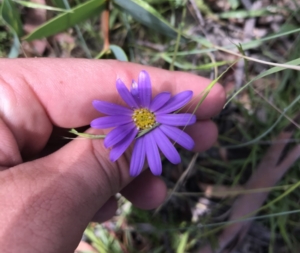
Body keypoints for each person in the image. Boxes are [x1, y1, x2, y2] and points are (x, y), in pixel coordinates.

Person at [0, 58, 225, 253]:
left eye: (146, 117)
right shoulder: (134, 121)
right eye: (141, 117)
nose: (145, 121)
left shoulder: (155, 115)